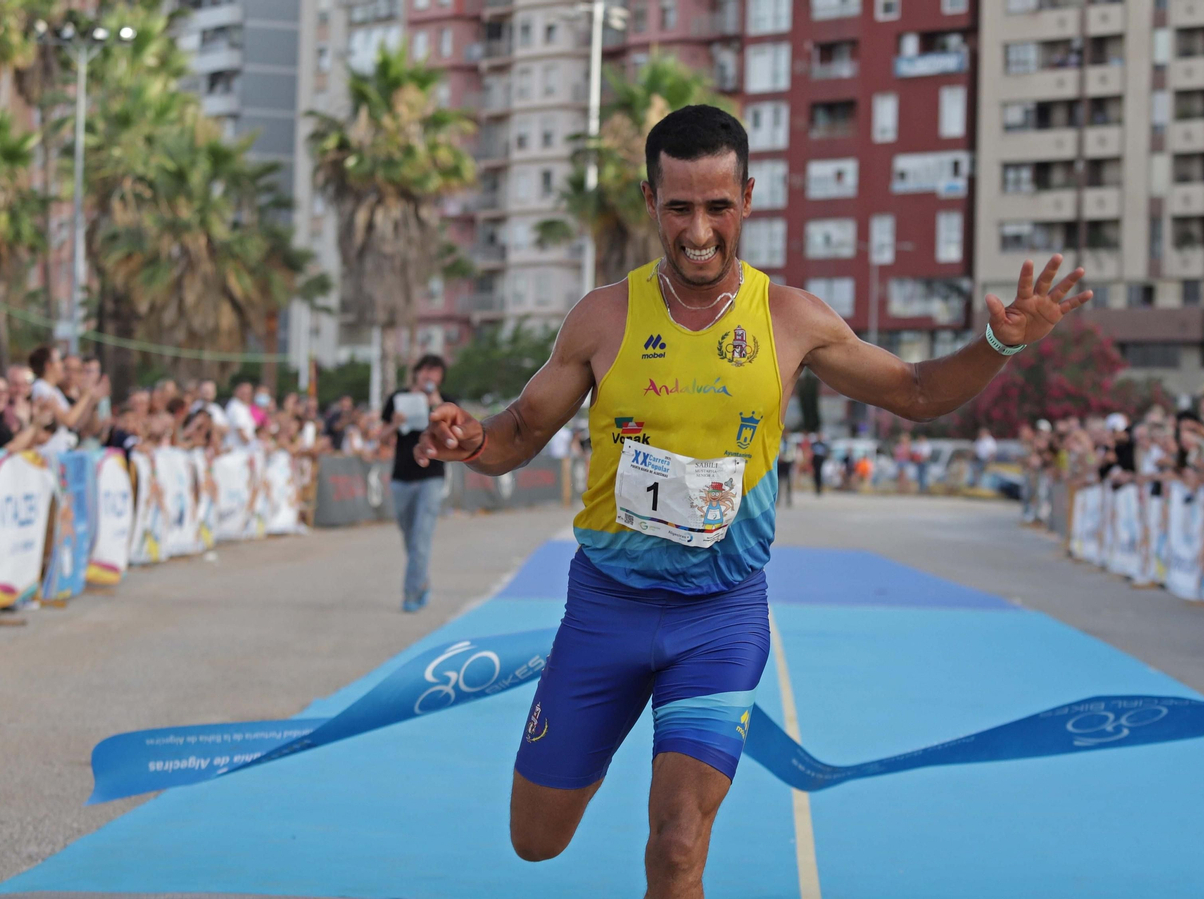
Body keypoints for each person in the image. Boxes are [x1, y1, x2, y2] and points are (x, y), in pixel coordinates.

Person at [411, 105, 1092, 897]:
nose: (698, 230)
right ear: (649, 202)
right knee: (535, 839)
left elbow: (914, 392)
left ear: (748, 199)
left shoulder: (790, 319)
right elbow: (520, 430)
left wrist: (1001, 342)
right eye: (679, 208)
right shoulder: (604, 316)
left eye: (717, 206)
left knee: (677, 845)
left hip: (719, 617)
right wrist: (470, 442)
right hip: (606, 608)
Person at [383, 354, 449, 612]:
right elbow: (381, 436)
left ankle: (410, 594)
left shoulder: (446, 401)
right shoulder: (397, 399)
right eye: (425, 371)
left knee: (422, 535)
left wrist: (436, 404)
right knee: (410, 537)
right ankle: (421, 582)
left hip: (431, 475)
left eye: (435, 373)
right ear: (417, 373)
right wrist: (395, 424)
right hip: (401, 476)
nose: (429, 377)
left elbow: (453, 433)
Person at [27, 344, 105, 454]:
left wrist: (92, 402)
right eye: (59, 361)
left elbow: (77, 423)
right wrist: (85, 396)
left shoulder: (52, 389)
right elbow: (68, 420)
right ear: (48, 366)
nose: (62, 366)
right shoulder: (41, 388)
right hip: (49, 453)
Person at [223, 379, 258, 450]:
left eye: (248, 393)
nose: (246, 395)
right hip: (238, 450)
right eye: (244, 393)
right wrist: (255, 446)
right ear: (237, 391)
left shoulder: (243, 407)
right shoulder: (236, 407)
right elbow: (241, 433)